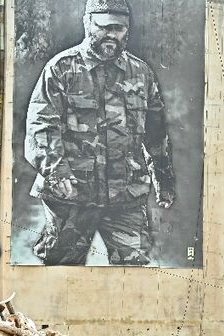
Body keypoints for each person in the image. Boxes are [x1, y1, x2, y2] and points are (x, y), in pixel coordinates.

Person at [24, 0, 175, 266]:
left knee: (133, 268)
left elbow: (156, 133)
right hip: (70, 196)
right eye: (103, 28)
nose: (111, 35)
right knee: (62, 268)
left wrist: (163, 179)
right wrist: (56, 171)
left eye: (118, 29)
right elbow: (41, 124)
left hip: (125, 196)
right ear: (87, 24)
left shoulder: (141, 74)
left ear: (127, 30)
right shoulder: (62, 68)